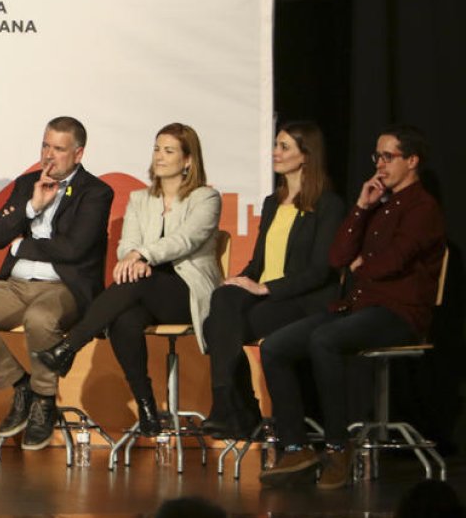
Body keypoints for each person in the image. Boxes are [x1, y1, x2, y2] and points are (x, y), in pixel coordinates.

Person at [259, 124, 446, 490]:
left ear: (412, 161)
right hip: (358, 307)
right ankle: (295, 446)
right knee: (275, 347)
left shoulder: (423, 207)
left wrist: (363, 266)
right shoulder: (377, 204)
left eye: (388, 156)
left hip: (398, 313)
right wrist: (361, 207)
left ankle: (337, 447)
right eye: (377, 156)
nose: (380, 164)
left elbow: (395, 259)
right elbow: (338, 256)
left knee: (324, 340)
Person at [34, 123, 222, 435]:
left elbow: (185, 241)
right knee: (125, 318)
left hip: (186, 292)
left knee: (134, 283)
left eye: (169, 151)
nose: (159, 156)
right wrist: (134, 256)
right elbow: (125, 245)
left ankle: (69, 347)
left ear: (188, 160)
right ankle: (147, 409)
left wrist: (142, 255)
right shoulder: (139, 199)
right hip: (143, 289)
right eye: (157, 149)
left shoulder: (206, 198)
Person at [0, 116, 113, 450]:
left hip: (64, 287)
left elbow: (74, 249)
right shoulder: (26, 185)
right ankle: (23, 386)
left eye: (59, 149)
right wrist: (32, 206)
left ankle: (45, 402)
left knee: (41, 319)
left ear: (78, 154)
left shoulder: (96, 193)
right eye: (45, 146)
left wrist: (23, 246)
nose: (48, 156)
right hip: (16, 284)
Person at [200, 122, 344, 438]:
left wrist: (266, 287)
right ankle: (230, 404)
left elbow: (321, 271)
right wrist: (241, 280)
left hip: (303, 301)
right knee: (223, 299)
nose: (275, 153)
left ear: (306, 156)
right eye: (276, 145)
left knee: (217, 328)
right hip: (267, 294)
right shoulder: (271, 202)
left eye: (284, 147)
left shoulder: (328, 205)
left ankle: (236, 409)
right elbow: (259, 264)